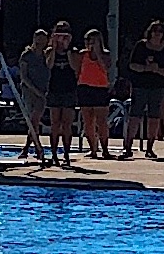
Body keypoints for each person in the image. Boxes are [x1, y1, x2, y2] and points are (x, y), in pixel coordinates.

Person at [125, 21, 164, 159]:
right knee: (135, 116)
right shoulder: (141, 46)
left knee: (154, 117)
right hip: (140, 86)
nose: (157, 33)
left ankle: (150, 147)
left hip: (158, 88)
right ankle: (127, 146)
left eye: (160, 31)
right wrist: (146, 68)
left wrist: (157, 70)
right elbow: (132, 65)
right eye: (154, 30)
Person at [45, 22, 81, 168]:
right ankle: (54, 153)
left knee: (67, 124)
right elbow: (49, 65)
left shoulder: (73, 51)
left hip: (69, 89)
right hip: (54, 89)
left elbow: (75, 68)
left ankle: (66, 153)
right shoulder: (49, 50)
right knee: (55, 123)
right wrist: (54, 48)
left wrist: (67, 50)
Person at [15, 31, 51, 164]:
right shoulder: (27, 55)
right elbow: (24, 77)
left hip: (43, 90)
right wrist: (36, 91)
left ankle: (32, 149)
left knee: (34, 120)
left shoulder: (46, 55)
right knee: (33, 120)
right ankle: (36, 148)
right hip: (30, 90)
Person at [78, 29, 113, 160]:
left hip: (100, 88)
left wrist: (98, 54)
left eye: (93, 40)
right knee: (88, 121)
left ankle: (105, 148)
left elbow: (106, 67)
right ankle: (93, 148)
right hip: (85, 88)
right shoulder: (83, 54)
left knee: (101, 121)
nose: (90, 43)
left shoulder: (105, 54)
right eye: (88, 40)